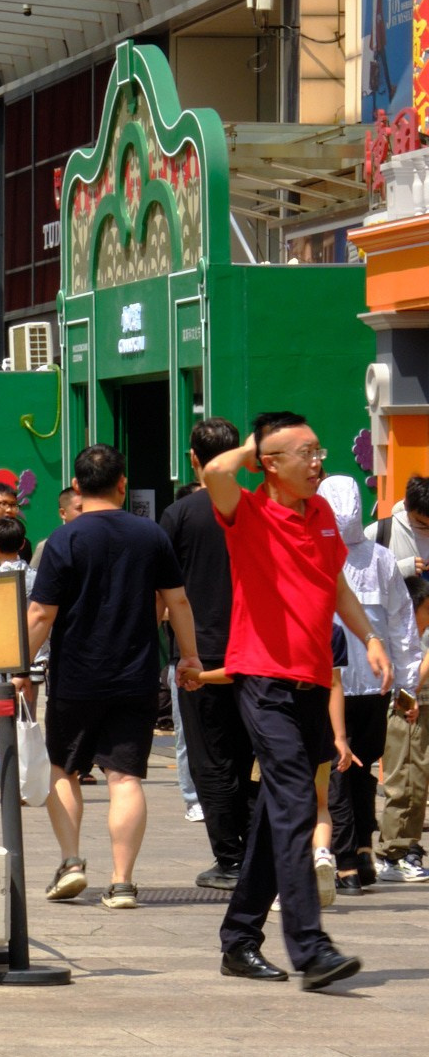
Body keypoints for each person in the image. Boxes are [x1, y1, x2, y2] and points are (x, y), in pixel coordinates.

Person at [202, 412, 390, 989]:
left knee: (276, 812)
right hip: (263, 677)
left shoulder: (324, 516)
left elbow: (332, 586)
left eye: (318, 450)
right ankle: (311, 948)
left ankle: (239, 938)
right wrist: (255, 445)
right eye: (303, 453)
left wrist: (371, 638)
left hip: (313, 679)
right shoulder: (247, 512)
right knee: (295, 803)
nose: (317, 463)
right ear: (269, 464)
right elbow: (213, 470)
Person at [28, 442, 200, 907]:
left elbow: (42, 613)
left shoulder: (65, 538)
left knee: (63, 768)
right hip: (136, 675)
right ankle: (122, 882)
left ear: (78, 490)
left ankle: (71, 861)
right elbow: (178, 601)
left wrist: (17, 664)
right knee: (125, 778)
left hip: (75, 676)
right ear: (123, 485)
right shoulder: (150, 535)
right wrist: (189, 657)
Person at [162, 419, 253, 892]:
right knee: (252, 754)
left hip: (200, 651)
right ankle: (259, 855)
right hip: (256, 650)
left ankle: (230, 858)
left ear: (195, 459)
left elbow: (164, 590)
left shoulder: (179, 516)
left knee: (210, 757)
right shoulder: (255, 508)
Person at [321, 473, 413, 896]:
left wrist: (406, 680)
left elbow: (399, 623)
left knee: (344, 772)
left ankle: (348, 859)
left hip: (346, 683)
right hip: (363, 684)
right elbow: (401, 625)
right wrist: (406, 680)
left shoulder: (337, 556)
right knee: (358, 774)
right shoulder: (375, 558)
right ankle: (358, 851)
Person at [373, 474, 429, 883]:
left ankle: (405, 847)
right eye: (423, 523)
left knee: (415, 768)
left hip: (414, 670)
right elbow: (354, 572)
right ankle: (395, 851)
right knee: (405, 767)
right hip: (402, 671)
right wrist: (406, 567)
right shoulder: (383, 532)